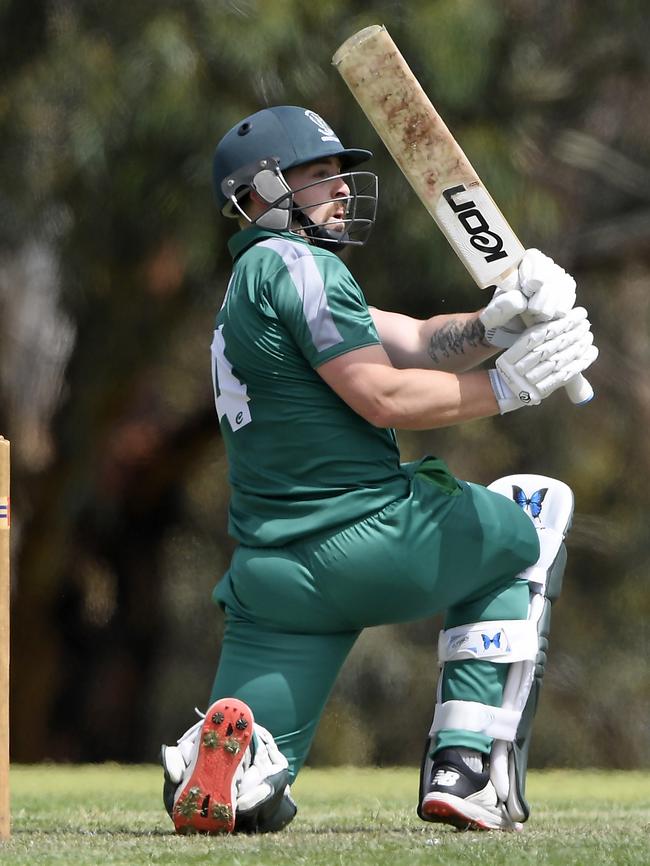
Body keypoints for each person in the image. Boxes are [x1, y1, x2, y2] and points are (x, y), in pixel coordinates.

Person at [161, 105, 598, 834]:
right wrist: (507, 386)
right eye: (319, 175)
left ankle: (220, 771)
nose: (339, 189)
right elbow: (384, 395)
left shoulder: (254, 280)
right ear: (262, 191)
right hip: (365, 536)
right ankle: (466, 767)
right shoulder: (304, 266)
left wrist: (500, 323)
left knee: (249, 792)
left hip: (274, 577)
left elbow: (421, 341)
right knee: (524, 528)